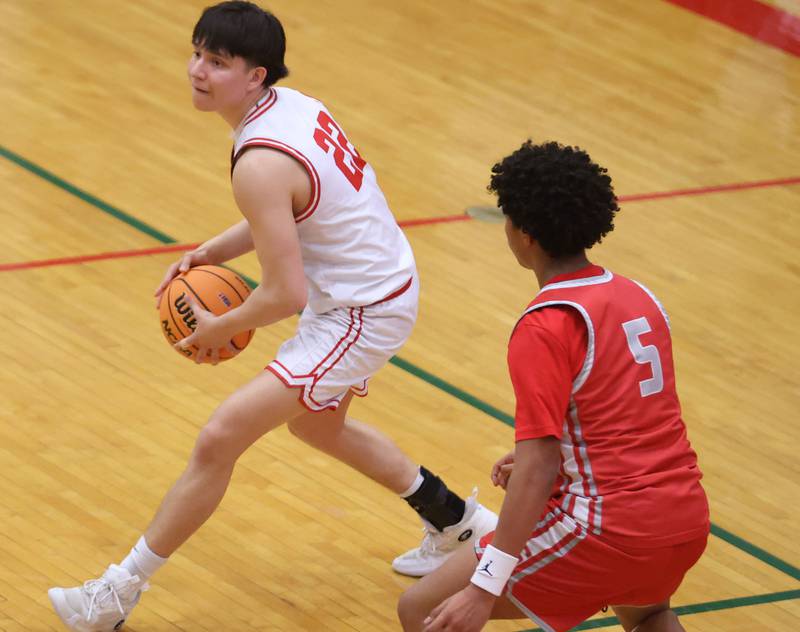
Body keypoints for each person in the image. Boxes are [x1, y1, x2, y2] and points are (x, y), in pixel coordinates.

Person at [47, 2, 497, 630]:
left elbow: (282, 294)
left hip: (360, 310)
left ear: (255, 75)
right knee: (315, 427)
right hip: (374, 283)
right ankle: (461, 524)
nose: (198, 70)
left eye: (218, 62)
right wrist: (213, 251)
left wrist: (219, 328)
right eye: (197, 53)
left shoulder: (258, 161)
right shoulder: (293, 107)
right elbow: (285, 213)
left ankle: (114, 596)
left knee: (219, 437)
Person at [397, 140, 710, 632]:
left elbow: (540, 467)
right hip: (684, 521)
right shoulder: (637, 296)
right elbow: (627, 416)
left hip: (608, 530)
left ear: (524, 234)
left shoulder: (545, 325)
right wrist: (563, 454)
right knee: (649, 613)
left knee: (421, 610)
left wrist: (484, 588)